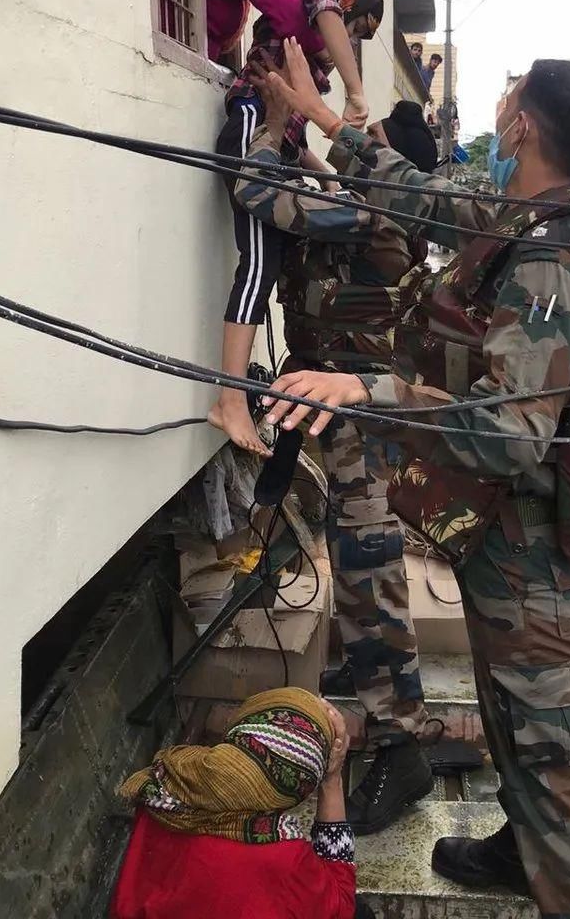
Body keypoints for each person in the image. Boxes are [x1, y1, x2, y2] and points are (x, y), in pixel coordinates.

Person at [259, 40, 570, 919]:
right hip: (503, 544)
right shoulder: (515, 211)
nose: (500, 107)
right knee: (512, 717)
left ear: (519, 124)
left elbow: (514, 435)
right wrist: (324, 116)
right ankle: (522, 854)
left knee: (553, 757)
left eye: (508, 97)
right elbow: (421, 194)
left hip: (535, 553)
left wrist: (371, 389)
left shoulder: (554, 257)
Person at [234, 85, 438, 834]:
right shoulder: (366, 208)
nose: (354, 157)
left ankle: (399, 740)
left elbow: (259, 192)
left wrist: (277, 127)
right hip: (344, 412)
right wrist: (305, 145)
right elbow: (321, 179)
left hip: (363, 417)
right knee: (361, 559)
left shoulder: (367, 216)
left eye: (370, 151)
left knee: (370, 570)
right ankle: (366, 664)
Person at [208, 0, 381, 457]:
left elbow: (296, 144)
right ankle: (230, 398)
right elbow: (325, 9)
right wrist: (355, 89)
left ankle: (236, 394)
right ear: (348, 5)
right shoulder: (300, 6)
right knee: (258, 265)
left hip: (275, 145)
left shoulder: (302, 58)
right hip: (251, 132)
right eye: (356, 32)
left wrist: (329, 176)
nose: (348, 43)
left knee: (269, 266)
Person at [111, 688, 368, 919]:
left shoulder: (166, 783)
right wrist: (332, 780)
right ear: (299, 786)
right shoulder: (281, 857)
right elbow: (342, 904)